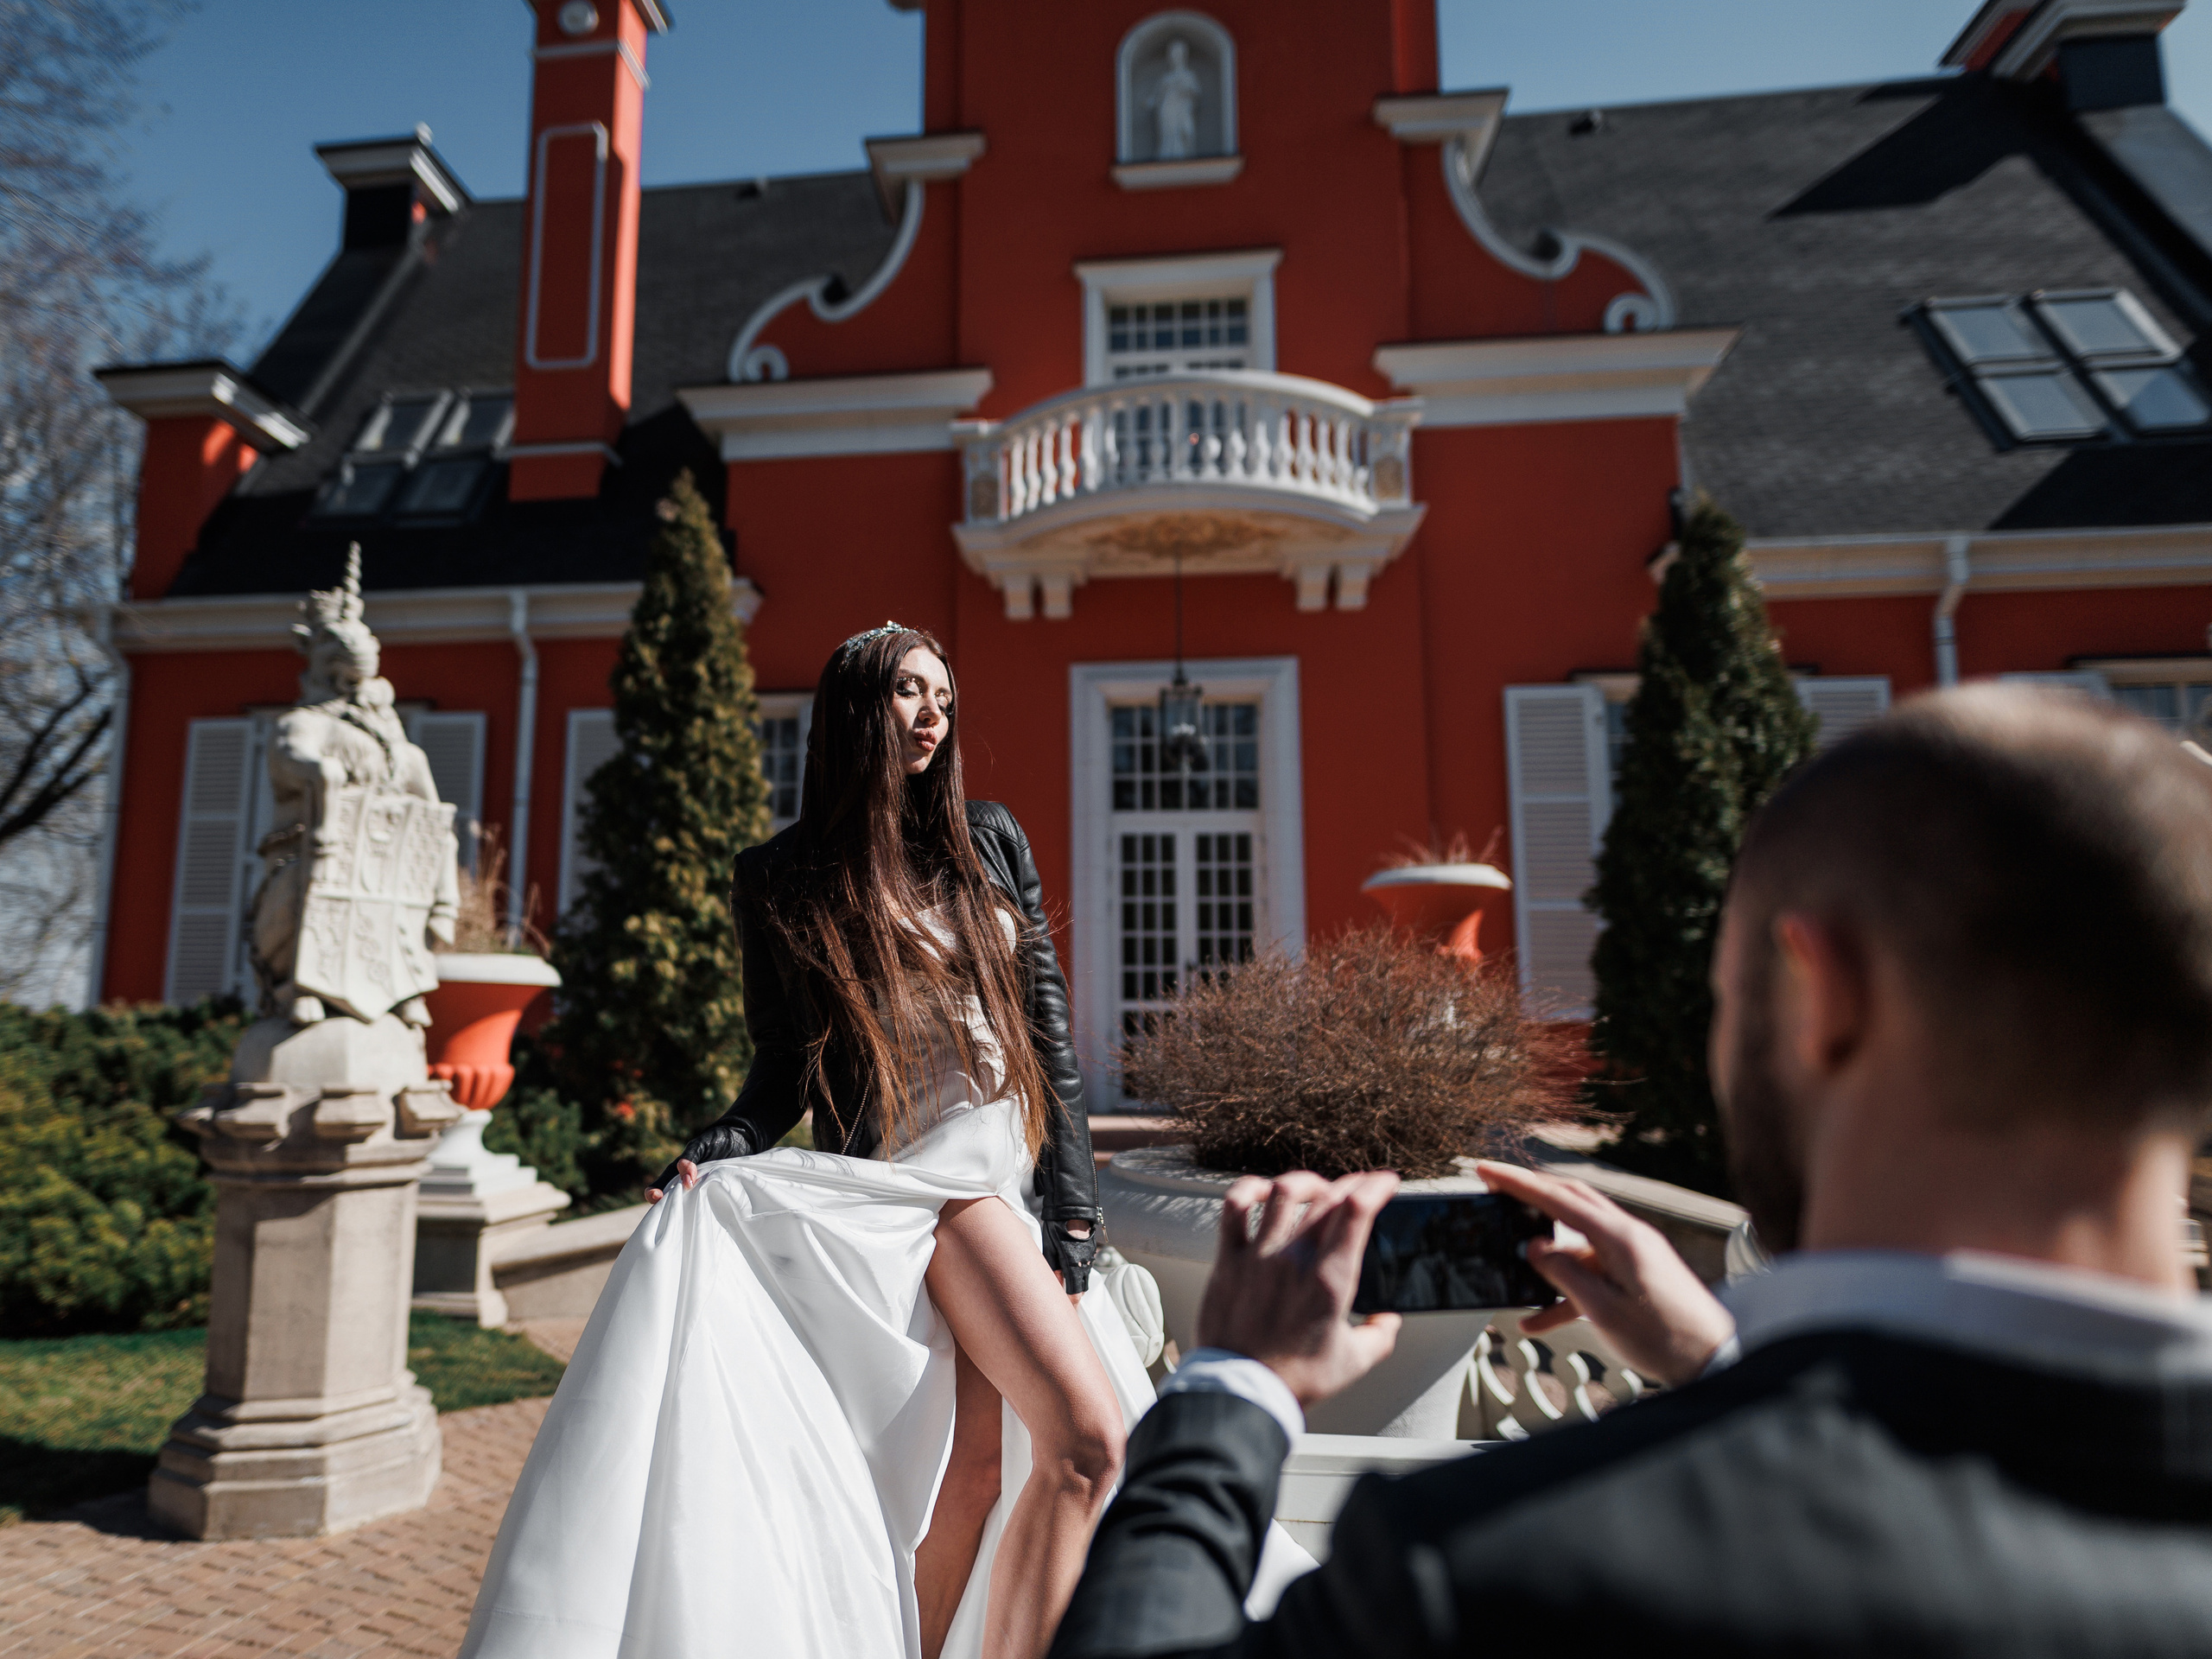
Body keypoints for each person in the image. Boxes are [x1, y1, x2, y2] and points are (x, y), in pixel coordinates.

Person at [1051, 683, 2212, 1657]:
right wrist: (1722, 1362)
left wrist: (1228, 1394)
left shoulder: (1492, 1564)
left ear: (1826, 997)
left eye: (1725, 997)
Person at [461, 624, 1307, 1659]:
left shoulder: (986, 839)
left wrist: (1075, 1210)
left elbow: (1047, 1040)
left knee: (979, 1475)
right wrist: (722, 1141)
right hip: (916, 1188)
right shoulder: (779, 877)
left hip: (1007, 1180)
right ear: (857, 707)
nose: (932, 713)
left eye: (943, 696)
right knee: (1090, 1444)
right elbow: (782, 1064)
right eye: (908, 691)